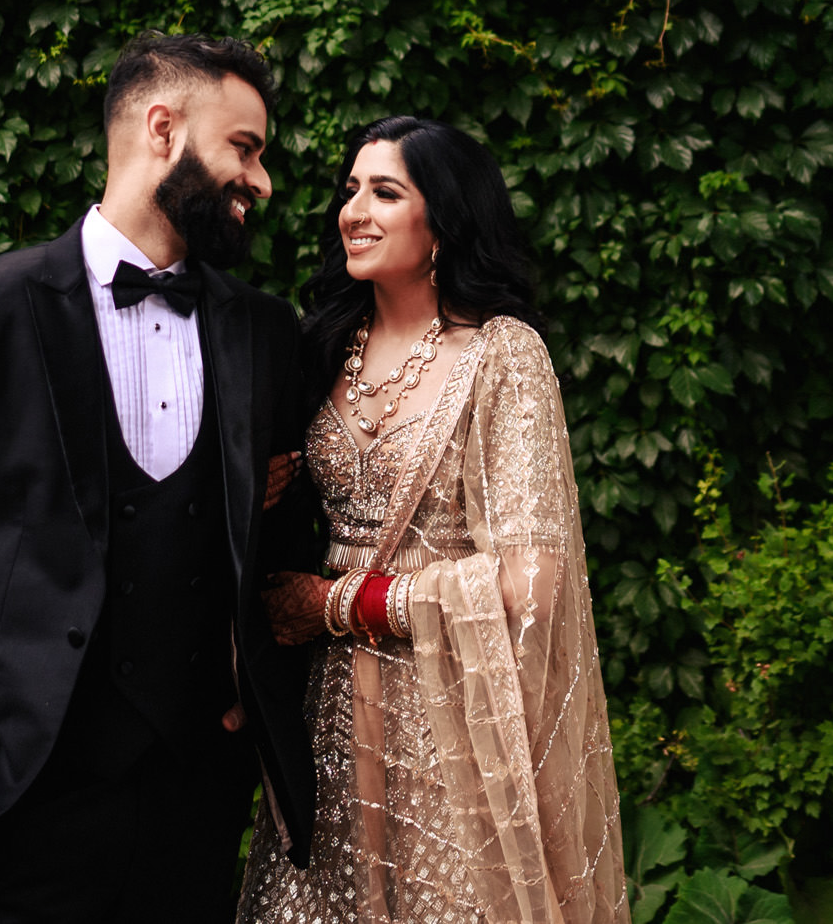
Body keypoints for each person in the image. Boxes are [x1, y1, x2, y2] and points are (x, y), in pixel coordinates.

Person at [0, 33, 321, 924]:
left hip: (193, 812)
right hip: (8, 810)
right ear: (163, 129)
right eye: (244, 148)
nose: (262, 180)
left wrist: (259, 692)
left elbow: (283, 545)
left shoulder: (264, 330)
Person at [238, 116, 628, 924]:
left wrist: (339, 603)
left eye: (386, 192)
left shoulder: (500, 354)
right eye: (351, 190)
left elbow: (532, 584)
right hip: (324, 719)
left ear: (444, 220)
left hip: (449, 717)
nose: (355, 211)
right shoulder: (318, 347)